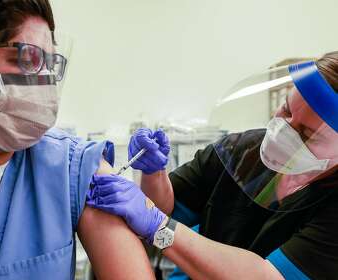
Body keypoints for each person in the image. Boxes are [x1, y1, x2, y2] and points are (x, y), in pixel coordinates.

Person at [0, 0, 155, 279]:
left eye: (49, 63)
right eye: (26, 60)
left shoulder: (73, 167)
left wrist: (163, 230)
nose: (45, 82)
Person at [87, 52, 338, 279]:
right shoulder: (241, 151)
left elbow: (267, 277)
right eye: (285, 110)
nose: (284, 130)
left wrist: (159, 227)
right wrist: (153, 173)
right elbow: (167, 208)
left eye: (306, 133)